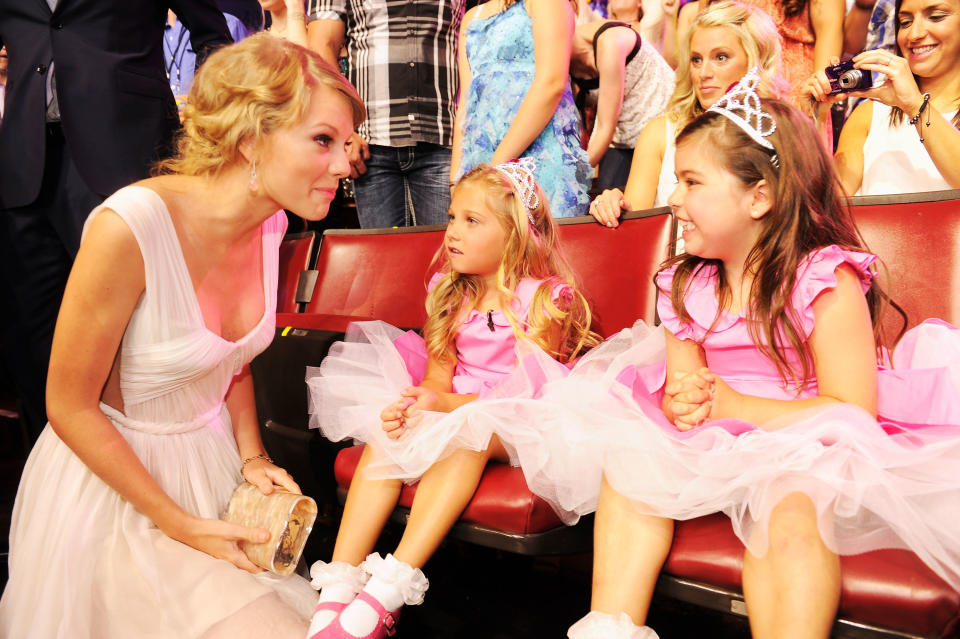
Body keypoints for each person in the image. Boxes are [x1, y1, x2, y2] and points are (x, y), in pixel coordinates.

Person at [560, 71, 960, 638]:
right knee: (629, 467)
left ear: (759, 196)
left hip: (809, 441)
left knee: (791, 512)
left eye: (692, 182)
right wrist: (688, 404)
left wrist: (735, 405)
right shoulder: (684, 285)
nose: (673, 198)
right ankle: (611, 626)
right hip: (717, 439)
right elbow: (685, 389)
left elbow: (852, 413)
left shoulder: (824, 280)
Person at [0, 34, 366, 638]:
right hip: (114, 497)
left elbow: (231, 360)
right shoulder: (131, 226)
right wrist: (175, 522)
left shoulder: (272, 224)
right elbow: (65, 404)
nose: (343, 163)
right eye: (322, 140)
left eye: (345, 143)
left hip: (210, 471)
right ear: (250, 137)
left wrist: (251, 456)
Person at [303, 159, 600, 639]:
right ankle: (339, 584)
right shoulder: (448, 291)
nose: (452, 233)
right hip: (458, 406)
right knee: (389, 437)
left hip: (522, 420)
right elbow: (439, 376)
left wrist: (447, 408)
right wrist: (421, 402)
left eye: (471, 221)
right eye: (452, 217)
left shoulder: (546, 299)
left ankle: (390, 589)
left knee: (471, 436)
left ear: (514, 234)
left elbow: (524, 392)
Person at [0, 0, 232, 443]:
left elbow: (214, 36)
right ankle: (55, 483)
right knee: (31, 343)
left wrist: (201, 124)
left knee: (131, 338)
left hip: (125, 152)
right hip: (22, 169)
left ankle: (135, 477)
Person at [589, 0, 786, 226]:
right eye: (696, 60)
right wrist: (614, 205)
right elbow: (637, 229)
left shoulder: (777, 133)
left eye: (720, 57)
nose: (704, 73)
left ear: (755, 61)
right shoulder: (660, 133)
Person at [306, 0, 465, 228]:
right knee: (382, 258)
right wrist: (343, 130)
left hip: (443, 138)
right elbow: (322, 46)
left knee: (445, 257)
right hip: (370, 145)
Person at [451, 0, 593, 218]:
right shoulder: (472, 17)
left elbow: (551, 83)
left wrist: (495, 168)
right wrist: (456, 182)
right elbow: (466, 106)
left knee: (536, 242)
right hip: (481, 160)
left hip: (536, 158)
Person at [805, 0, 960, 195]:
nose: (914, 34)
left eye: (936, 17)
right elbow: (828, 200)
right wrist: (815, 120)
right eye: (905, 22)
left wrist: (914, 105)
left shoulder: (911, 105)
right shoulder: (868, 115)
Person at [570, 18, 676, 190]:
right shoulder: (565, 63)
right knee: (608, 198)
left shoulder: (610, 40)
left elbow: (606, 127)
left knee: (645, 204)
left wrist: (569, 178)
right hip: (621, 139)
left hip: (662, 128)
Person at [165, 9, 251, 109]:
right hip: (162, 119)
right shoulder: (149, 28)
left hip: (209, 119)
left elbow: (243, 91)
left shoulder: (227, 24)